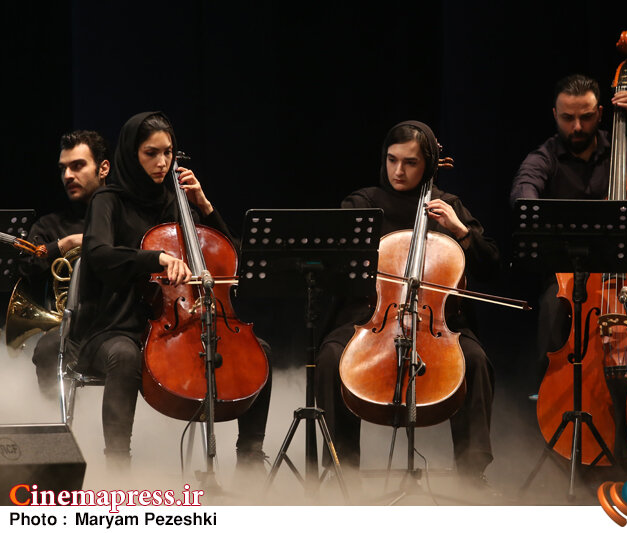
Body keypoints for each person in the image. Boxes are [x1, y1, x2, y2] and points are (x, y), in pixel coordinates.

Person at [509, 74, 627, 456]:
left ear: (600, 112)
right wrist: (532, 206)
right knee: (552, 307)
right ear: (555, 115)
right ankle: (552, 398)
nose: (577, 127)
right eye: (567, 118)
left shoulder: (622, 145)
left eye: (586, 117)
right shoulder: (544, 157)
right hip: (572, 277)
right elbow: (524, 193)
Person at [76, 111, 271, 470]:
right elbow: (98, 254)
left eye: (168, 152)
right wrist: (156, 258)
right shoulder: (108, 200)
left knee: (261, 353)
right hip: (116, 323)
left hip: (176, 323)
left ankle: (250, 459)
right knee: (125, 356)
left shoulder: (174, 202)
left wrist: (205, 206)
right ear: (131, 153)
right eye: (151, 153)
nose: (162, 163)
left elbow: (230, 258)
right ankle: (118, 467)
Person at [315, 120, 500, 490]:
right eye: (392, 160)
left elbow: (491, 266)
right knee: (331, 358)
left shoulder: (447, 206)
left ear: (428, 164)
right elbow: (334, 267)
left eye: (411, 162)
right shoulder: (363, 204)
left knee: (476, 361)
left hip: (438, 322)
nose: (398, 171)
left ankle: (472, 473)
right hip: (371, 316)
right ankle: (340, 469)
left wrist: (460, 231)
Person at [21, 130, 110, 396]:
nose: (68, 175)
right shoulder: (50, 226)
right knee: (47, 349)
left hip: (120, 325)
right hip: (72, 332)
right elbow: (26, 268)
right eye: (63, 169)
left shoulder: (124, 218)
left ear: (103, 168)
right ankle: (54, 420)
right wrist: (65, 244)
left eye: (78, 165)